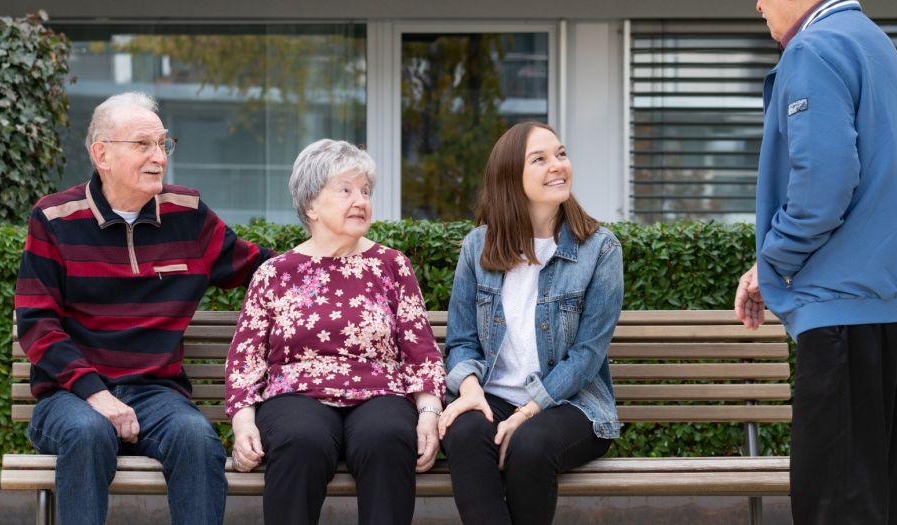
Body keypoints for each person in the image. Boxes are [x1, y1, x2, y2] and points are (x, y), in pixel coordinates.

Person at [736, 0, 897, 523]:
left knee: (835, 507)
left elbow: (822, 188)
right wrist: (767, 268)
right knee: (886, 503)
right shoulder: (871, 41)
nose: (759, 4)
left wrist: (775, 260)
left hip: (846, 310)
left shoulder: (814, 48)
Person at [15, 91, 274, 525]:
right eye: (143, 144)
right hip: (71, 397)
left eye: (163, 144)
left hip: (157, 394)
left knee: (197, 439)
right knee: (87, 432)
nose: (159, 156)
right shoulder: (55, 219)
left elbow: (262, 269)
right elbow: (38, 324)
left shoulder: (186, 213)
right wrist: (95, 394)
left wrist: (338, 261)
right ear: (102, 154)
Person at [223, 139, 445, 525]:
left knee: (388, 438)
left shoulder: (391, 265)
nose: (360, 200)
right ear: (311, 204)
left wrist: (428, 413)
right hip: (295, 392)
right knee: (300, 441)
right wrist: (243, 423)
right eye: (345, 190)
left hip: (380, 391)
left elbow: (420, 351)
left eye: (365, 191)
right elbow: (246, 359)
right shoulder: (276, 273)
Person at [437, 122, 623, 525]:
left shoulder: (599, 249)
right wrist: (469, 393)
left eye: (560, 153)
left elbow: (587, 356)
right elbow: (462, 341)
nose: (557, 166)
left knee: (530, 444)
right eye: (539, 159)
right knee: (465, 434)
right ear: (509, 178)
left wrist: (524, 414)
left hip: (571, 405)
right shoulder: (478, 246)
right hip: (493, 395)